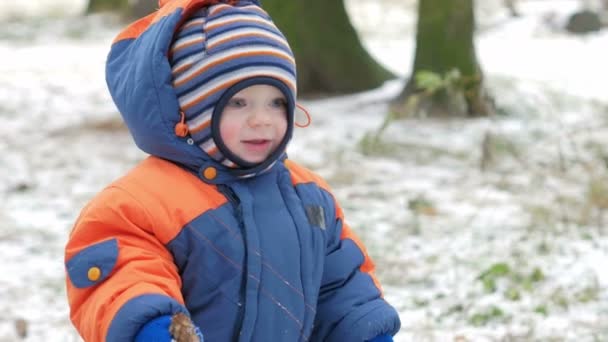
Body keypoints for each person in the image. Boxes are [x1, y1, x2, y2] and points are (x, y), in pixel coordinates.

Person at [64, 0, 401, 341]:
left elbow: (340, 286)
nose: (262, 119)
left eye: (276, 102)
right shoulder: (141, 205)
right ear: (191, 110)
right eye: (238, 103)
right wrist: (154, 330)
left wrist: (367, 332)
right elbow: (124, 277)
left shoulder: (309, 197)